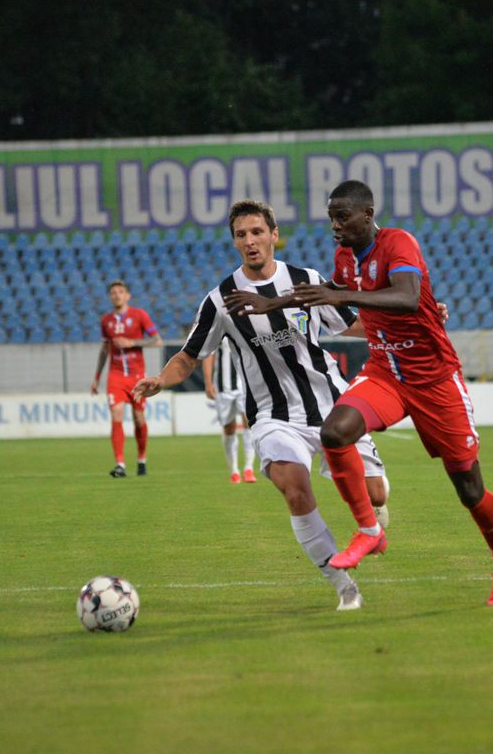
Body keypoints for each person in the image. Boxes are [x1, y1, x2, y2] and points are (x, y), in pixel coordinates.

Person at [264, 179, 493, 606]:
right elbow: (361, 309)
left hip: (434, 380)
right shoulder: (344, 258)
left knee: (469, 489)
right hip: (386, 373)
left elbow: (405, 296)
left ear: (367, 214)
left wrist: (340, 293)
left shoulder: (398, 243)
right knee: (336, 431)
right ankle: (369, 530)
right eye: (331, 217)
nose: (335, 225)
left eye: (342, 216)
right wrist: (278, 304)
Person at [134, 199, 390, 611]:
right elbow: (189, 355)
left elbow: (352, 323)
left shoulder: (305, 279)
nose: (250, 241)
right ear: (234, 242)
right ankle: (344, 587)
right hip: (272, 416)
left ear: (274, 235)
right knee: (295, 490)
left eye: (257, 232)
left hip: (331, 405)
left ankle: (376, 514)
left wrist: (416, 321)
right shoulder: (220, 300)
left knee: (375, 493)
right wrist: (160, 380)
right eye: (241, 235)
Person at [91, 280, 162, 477]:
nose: (117, 295)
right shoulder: (106, 321)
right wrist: (97, 377)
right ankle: (120, 464)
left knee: (139, 419)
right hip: (115, 376)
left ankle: (141, 459)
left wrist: (132, 343)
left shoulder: (139, 315)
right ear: (110, 296)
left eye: (120, 292)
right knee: (116, 415)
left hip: (137, 376)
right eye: (113, 292)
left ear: (127, 295)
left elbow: (157, 341)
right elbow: (105, 349)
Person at [202, 339, 258, 484]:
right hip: (223, 388)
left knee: (249, 421)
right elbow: (208, 355)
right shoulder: (219, 325)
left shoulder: (247, 324)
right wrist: (208, 383)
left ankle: (248, 468)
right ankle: (234, 470)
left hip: (245, 385)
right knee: (229, 428)